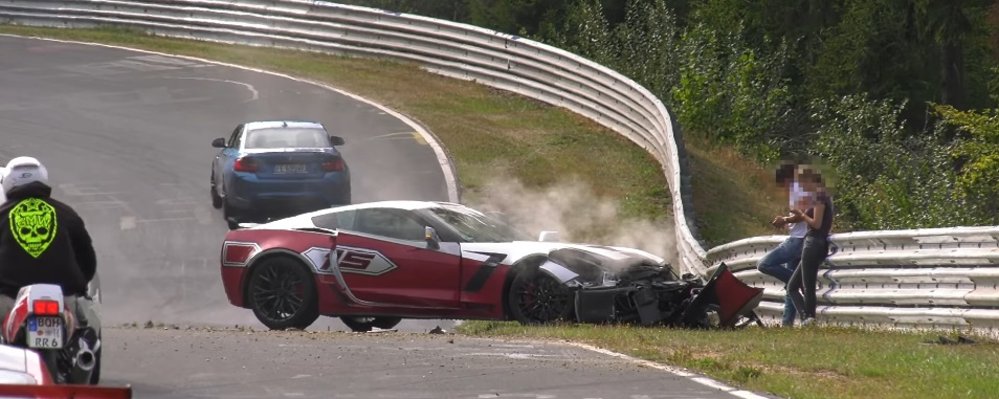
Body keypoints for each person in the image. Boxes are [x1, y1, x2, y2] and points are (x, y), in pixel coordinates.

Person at [0, 157, 97, 326]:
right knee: (86, 329)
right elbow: (87, 258)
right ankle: (83, 349)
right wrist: (79, 286)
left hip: (9, 297)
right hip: (64, 295)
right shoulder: (67, 214)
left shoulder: (1, 215)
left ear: (8, 182)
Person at [757, 161, 812, 327]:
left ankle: (798, 282)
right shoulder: (804, 189)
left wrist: (785, 220)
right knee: (790, 288)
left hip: (797, 241)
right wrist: (788, 223)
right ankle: (788, 323)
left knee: (764, 264)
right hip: (801, 238)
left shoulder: (797, 189)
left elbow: (803, 214)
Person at [785, 165, 835, 326]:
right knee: (793, 286)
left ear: (810, 180)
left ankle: (809, 317)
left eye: (802, 183)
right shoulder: (821, 196)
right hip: (815, 242)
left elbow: (816, 224)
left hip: (813, 242)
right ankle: (807, 318)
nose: (802, 187)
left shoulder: (819, 197)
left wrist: (801, 215)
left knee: (807, 285)